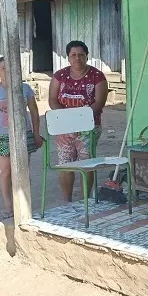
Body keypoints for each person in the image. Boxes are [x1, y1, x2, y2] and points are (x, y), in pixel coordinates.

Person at [48, 41, 108, 202]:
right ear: (68, 57)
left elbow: (99, 103)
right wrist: (67, 121)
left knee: (86, 165)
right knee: (65, 165)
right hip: (64, 128)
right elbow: (53, 99)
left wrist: (79, 122)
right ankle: (66, 202)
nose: (77, 58)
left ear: (87, 56)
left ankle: (85, 201)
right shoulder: (59, 76)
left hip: (88, 128)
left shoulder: (97, 76)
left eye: (81, 55)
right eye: (73, 55)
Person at [0, 56, 44, 218]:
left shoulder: (25, 89)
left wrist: (36, 134)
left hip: (24, 135)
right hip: (3, 136)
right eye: (4, 68)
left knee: (23, 170)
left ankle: (24, 204)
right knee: (5, 171)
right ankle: (9, 208)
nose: (7, 71)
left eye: (11, 68)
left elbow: (34, 113)